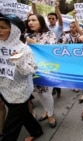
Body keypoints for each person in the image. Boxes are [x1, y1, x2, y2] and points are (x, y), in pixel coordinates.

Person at [0, 13, 43, 141]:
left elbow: (31, 70)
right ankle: (36, 131)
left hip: (20, 92)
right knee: (23, 115)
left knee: (10, 128)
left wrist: (19, 62)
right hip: (4, 89)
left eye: (3, 27)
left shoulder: (24, 49)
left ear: (14, 30)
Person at [26, 13, 57, 128]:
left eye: (34, 20)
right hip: (33, 70)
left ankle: (51, 115)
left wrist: (32, 42)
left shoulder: (50, 34)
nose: (30, 22)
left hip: (48, 69)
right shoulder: (27, 35)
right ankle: (47, 110)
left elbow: (50, 50)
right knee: (40, 93)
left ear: (41, 22)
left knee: (47, 93)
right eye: (29, 20)